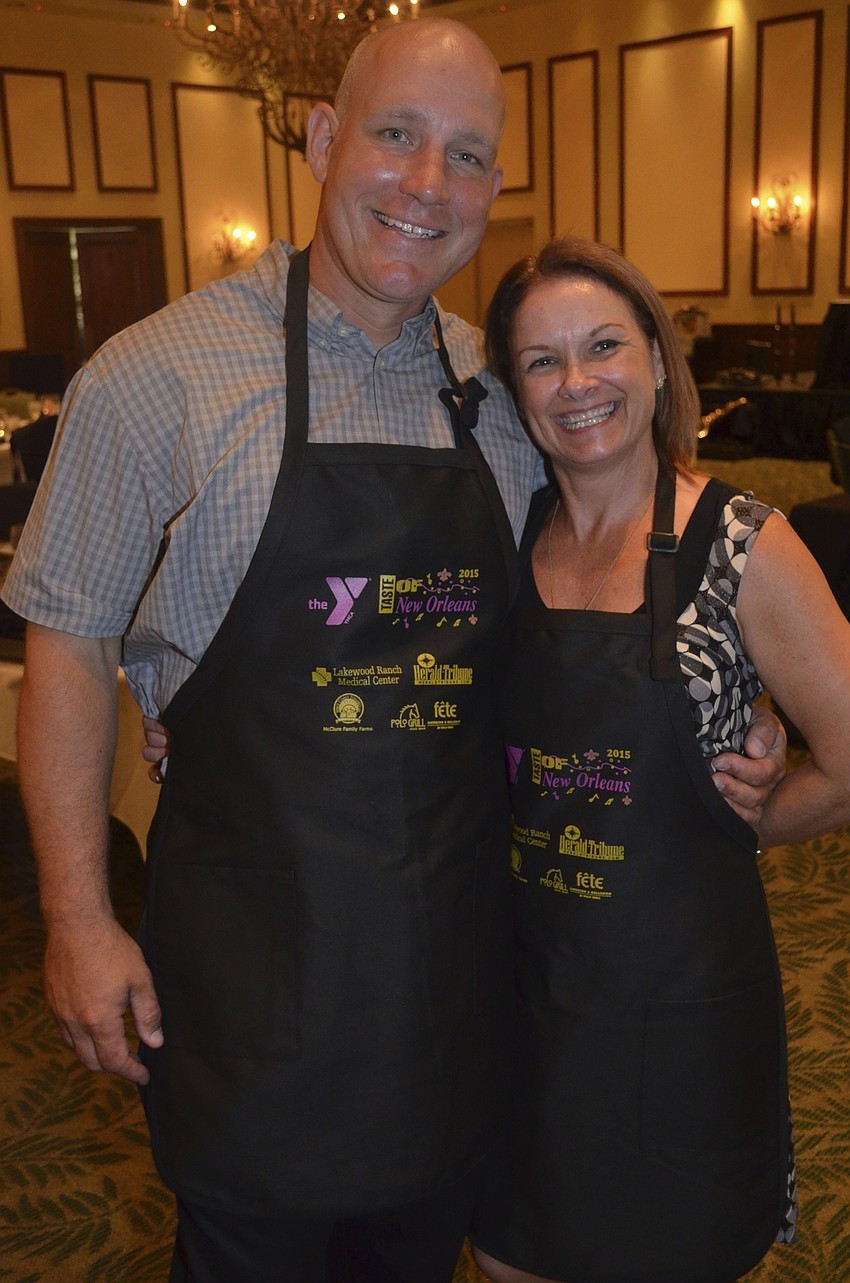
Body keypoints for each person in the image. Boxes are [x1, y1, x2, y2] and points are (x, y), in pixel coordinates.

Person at [1, 22, 784, 1283]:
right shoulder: (155, 377)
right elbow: (69, 642)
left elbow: (614, 561)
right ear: (322, 141)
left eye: (468, 156)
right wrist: (79, 916)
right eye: (397, 136)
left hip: (455, 971)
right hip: (253, 971)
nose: (429, 186)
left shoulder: (500, 383)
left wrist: (723, 693)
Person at [467, 236, 850, 1283]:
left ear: (654, 356)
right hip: (520, 994)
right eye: (542, 361)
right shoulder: (502, 534)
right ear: (514, 389)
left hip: (679, 1011)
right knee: (510, 1256)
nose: (577, 382)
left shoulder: (742, 543)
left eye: (602, 345)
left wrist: (765, 815)